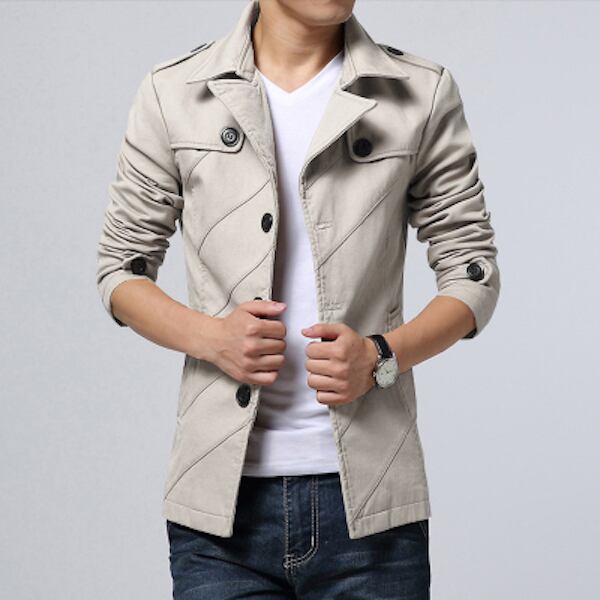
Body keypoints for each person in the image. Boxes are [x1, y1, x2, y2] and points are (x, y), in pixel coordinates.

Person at [96, 0, 500, 597]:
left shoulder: (419, 92)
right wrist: (213, 338)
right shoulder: (175, 92)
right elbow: (120, 268)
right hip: (221, 510)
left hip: (372, 503)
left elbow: (473, 273)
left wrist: (381, 356)